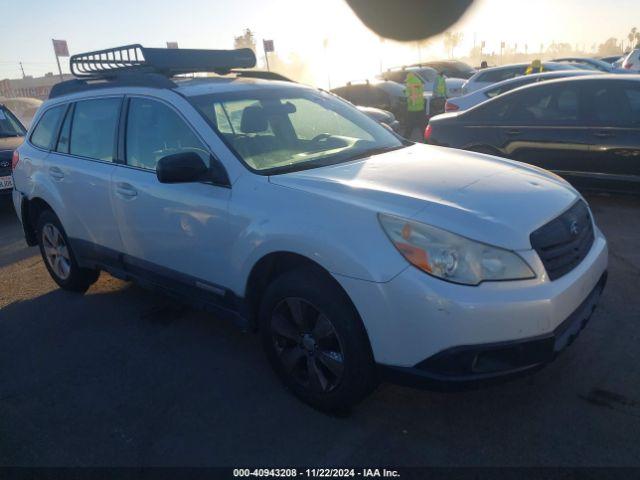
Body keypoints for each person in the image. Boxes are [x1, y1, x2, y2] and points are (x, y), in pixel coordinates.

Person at [403, 72, 426, 140]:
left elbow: (407, 94)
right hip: (420, 107)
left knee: (410, 125)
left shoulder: (409, 83)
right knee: (422, 125)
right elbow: (421, 92)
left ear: (409, 78)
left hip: (412, 108)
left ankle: (406, 138)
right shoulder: (419, 82)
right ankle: (426, 139)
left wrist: (405, 91)